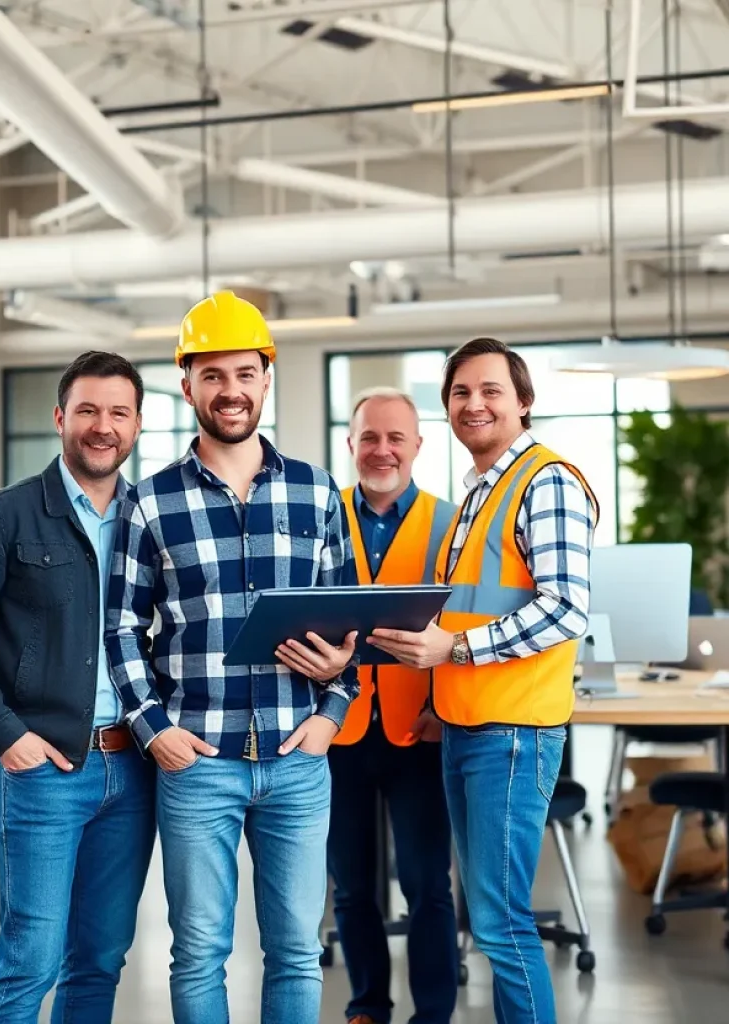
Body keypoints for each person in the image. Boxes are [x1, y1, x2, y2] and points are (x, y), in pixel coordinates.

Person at [105, 290, 360, 1024]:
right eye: (212, 375)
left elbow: (352, 625)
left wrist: (331, 717)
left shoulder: (316, 492)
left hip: (298, 757)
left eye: (244, 373)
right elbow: (121, 627)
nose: (230, 390)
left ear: (266, 378)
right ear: (186, 385)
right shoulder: (149, 504)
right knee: (200, 952)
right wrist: (154, 729)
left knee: (295, 951)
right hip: (197, 761)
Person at [368, 338, 597, 1024]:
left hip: (513, 732)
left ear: (524, 403)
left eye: (492, 391)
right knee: (491, 921)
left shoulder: (545, 480)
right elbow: (474, 601)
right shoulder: (478, 492)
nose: (475, 404)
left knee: (500, 926)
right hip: (468, 726)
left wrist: (455, 652)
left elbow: (566, 609)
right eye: (461, 393)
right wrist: (443, 699)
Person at [0, 351, 155, 1024]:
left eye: (118, 412)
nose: (101, 426)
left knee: (101, 958)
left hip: (135, 769)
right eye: (87, 410)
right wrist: (5, 733)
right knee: (30, 958)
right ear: (60, 417)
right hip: (45, 770)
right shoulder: (6, 515)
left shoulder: (151, 519)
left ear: (138, 425)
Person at [328, 387, 458, 1024]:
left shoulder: (452, 523)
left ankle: (432, 1013)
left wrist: (443, 705)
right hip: (339, 731)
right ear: (351, 445)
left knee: (429, 885)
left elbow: (465, 624)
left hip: (422, 730)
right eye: (370, 438)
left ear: (416, 447)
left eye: (395, 438)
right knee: (352, 889)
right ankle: (367, 1008)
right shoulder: (322, 517)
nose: (382, 450)